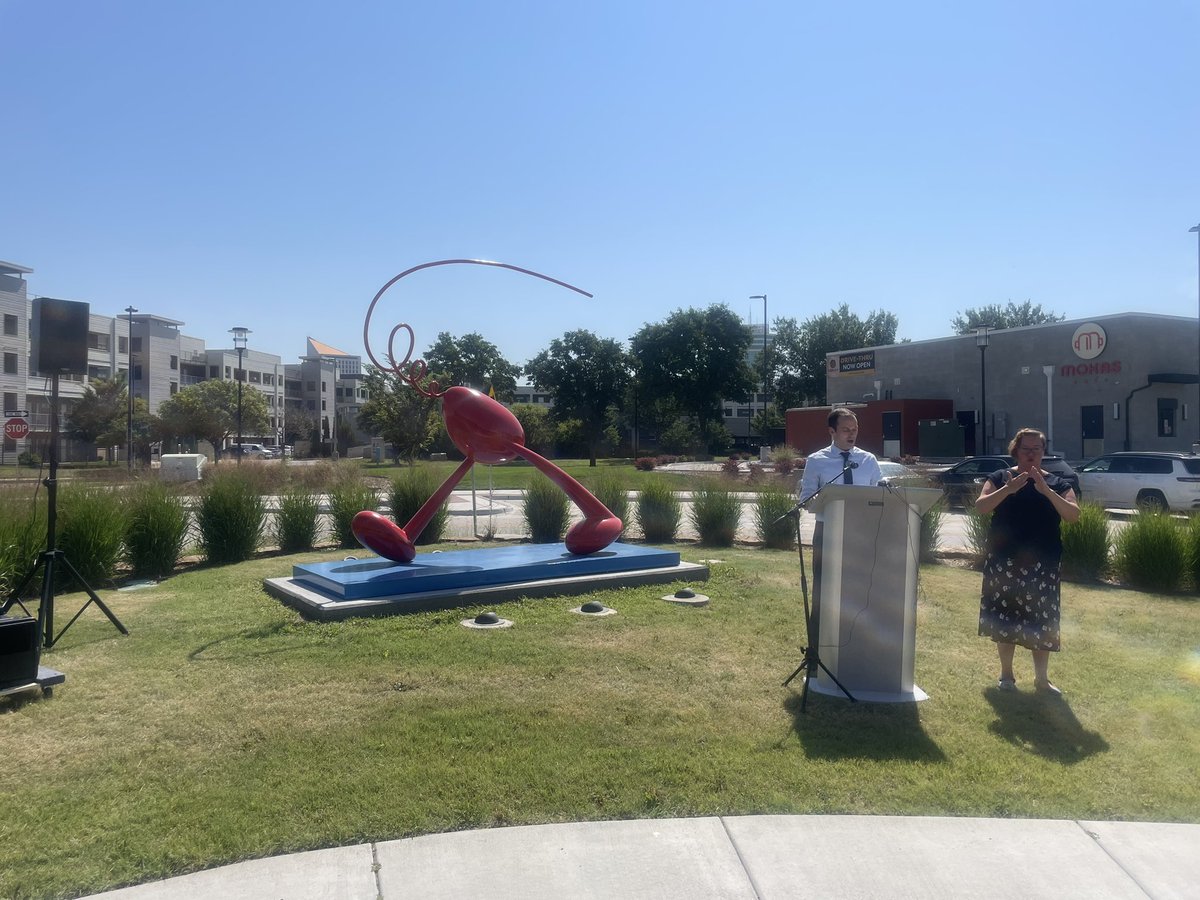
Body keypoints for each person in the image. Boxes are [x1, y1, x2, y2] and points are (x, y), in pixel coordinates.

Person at [975, 427, 1079, 695]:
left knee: (1041, 623)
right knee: (1005, 619)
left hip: (1043, 563)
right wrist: (1008, 490)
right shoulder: (1000, 477)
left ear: (1044, 452)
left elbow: (1072, 515)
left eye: (1037, 449)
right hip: (1005, 561)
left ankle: (1041, 680)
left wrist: (1046, 491)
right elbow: (982, 506)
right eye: (1026, 449)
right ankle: (1006, 676)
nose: (1032, 454)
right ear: (1016, 451)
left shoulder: (1059, 483)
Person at [798, 407, 882, 504]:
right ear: (832, 431)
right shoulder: (816, 460)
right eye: (846, 430)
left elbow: (881, 495)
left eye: (854, 429)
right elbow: (805, 498)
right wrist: (819, 500)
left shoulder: (868, 460)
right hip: (828, 518)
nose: (851, 434)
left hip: (862, 518)